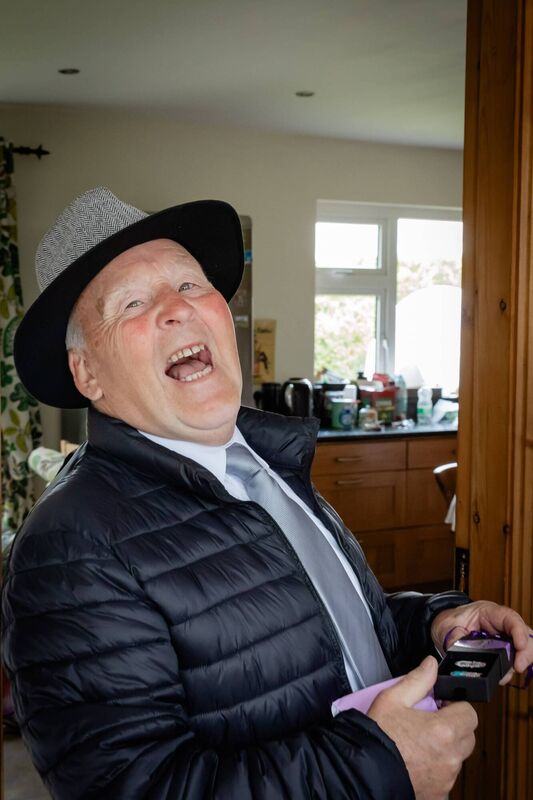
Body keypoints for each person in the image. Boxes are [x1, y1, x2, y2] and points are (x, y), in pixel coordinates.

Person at [2, 188, 532, 800]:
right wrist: (379, 766)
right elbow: (137, 788)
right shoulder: (68, 549)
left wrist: (438, 621)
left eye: (191, 285)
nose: (177, 308)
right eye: (132, 303)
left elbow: (331, 630)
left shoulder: (268, 463)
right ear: (87, 373)